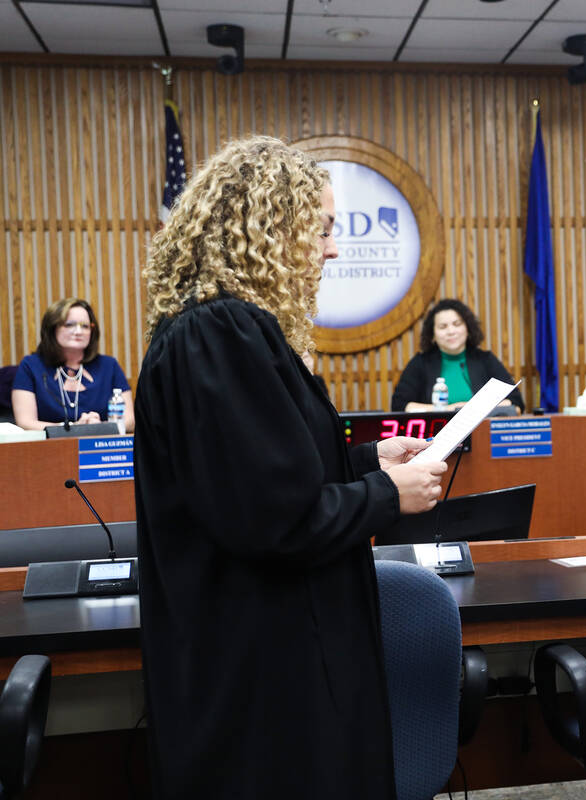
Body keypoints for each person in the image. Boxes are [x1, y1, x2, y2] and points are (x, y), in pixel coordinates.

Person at [135, 136, 447, 799]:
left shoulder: (228, 332)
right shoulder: (219, 335)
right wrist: (387, 495)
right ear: (269, 227)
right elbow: (275, 519)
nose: (333, 249)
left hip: (275, 658)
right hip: (261, 681)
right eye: (323, 229)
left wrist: (366, 459)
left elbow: (266, 473)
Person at [11, 298, 134, 431]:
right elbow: (25, 423)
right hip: (48, 448)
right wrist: (74, 428)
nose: (78, 331)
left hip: (100, 447)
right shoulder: (31, 365)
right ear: (52, 328)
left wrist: (98, 428)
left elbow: (129, 421)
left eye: (85, 326)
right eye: (69, 324)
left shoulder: (109, 366)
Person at [390, 298, 524, 412]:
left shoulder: (485, 360)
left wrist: (471, 409)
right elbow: (400, 406)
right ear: (433, 335)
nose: (451, 331)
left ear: (467, 328)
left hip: (482, 436)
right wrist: (451, 409)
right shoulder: (420, 363)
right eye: (443, 327)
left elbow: (516, 404)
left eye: (457, 324)